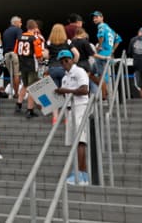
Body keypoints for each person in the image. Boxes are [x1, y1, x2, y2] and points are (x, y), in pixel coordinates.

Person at [55, 50, 92, 185]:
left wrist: (66, 91)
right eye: (62, 61)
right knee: (74, 141)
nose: (65, 63)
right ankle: (79, 171)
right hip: (70, 109)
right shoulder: (65, 77)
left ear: (71, 59)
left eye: (67, 60)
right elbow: (65, 93)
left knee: (80, 140)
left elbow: (85, 90)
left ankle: (82, 173)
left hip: (80, 106)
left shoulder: (79, 71)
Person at [14, 20, 44, 117]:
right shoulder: (34, 38)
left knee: (25, 85)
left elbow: (15, 51)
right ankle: (30, 109)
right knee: (32, 87)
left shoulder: (19, 37)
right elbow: (39, 54)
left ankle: (18, 104)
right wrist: (41, 60)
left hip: (22, 65)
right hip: (32, 65)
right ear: (35, 27)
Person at [91, 11, 119, 98]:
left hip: (102, 54)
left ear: (102, 17)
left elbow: (101, 36)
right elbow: (118, 39)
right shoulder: (109, 28)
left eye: (96, 17)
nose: (94, 19)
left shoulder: (101, 26)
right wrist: (112, 50)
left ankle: (104, 96)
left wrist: (99, 46)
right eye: (93, 18)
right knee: (91, 73)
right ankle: (105, 91)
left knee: (102, 75)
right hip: (108, 53)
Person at [2, 16, 23, 99]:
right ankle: (16, 93)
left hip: (6, 54)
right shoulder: (18, 30)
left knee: (11, 75)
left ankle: (12, 92)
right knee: (16, 74)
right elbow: (20, 41)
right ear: (16, 22)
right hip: (14, 53)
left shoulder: (6, 31)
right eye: (20, 22)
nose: (21, 24)